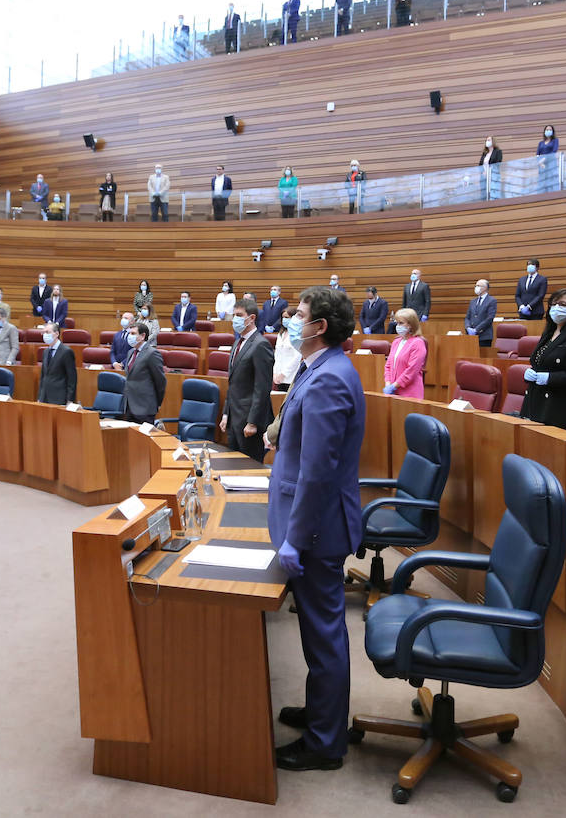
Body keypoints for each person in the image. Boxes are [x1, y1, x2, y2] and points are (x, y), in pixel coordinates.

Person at [268, 285, 364, 772]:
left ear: (319, 327)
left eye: (298, 315)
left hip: (317, 532)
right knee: (317, 633)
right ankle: (322, 712)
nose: (291, 320)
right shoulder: (318, 368)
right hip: (313, 526)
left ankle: (326, 743)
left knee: (324, 636)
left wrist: (294, 538)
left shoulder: (330, 377)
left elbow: (317, 473)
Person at [519, 290, 566, 431]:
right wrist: (530, 372)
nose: (556, 308)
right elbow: (539, 361)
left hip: (560, 410)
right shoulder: (549, 333)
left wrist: (551, 378)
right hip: (535, 403)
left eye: (563, 304)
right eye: (553, 304)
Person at [221, 298, 275, 462]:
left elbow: (262, 388)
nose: (234, 319)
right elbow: (233, 384)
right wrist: (225, 414)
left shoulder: (260, 345)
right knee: (233, 467)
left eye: (239, 315)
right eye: (234, 315)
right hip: (234, 418)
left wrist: (253, 422)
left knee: (249, 469)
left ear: (251, 318)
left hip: (249, 422)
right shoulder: (238, 342)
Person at [121, 321, 166, 423]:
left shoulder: (152, 354)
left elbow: (160, 381)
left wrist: (156, 403)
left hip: (145, 408)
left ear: (142, 336)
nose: (129, 336)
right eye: (129, 333)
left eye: (133, 334)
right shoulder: (130, 352)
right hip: (129, 406)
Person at [383, 309, 427, 398]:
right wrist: (388, 384)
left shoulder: (418, 343)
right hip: (394, 393)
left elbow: (411, 371)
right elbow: (388, 365)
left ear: (411, 325)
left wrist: (394, 386)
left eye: (401, 323)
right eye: (397, 323)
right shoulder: (396, 342)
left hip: (410, 393)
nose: (398, 326)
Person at [36, 322, 77, 405]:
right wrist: (40, 396)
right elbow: (43, 376)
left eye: (47, 332)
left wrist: (70, 400)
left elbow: (72, 378)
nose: (45, 335)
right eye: (43, 333)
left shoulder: (66, 352)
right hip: (45, 397)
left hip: (60, 398)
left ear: (57, 334)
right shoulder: (45, 351)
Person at [272, 307, 301, 390]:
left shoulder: (297, 335)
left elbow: (297, 357)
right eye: (283, 318)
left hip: (291, 376)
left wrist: (284, 374)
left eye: (287, 317)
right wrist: (275, 373)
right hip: (278, 376)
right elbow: (277, 355)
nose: (284, 320)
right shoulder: (281, 334)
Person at [464, 279, 497, 347]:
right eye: (476, 285)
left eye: (478, 285)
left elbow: (489, 318)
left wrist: (476, 330)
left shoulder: (491, 301)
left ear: (485, 288)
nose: (476, 287)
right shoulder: (473, 301)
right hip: (471, 337)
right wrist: (468, 327)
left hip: (484, 336)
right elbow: (467, 317)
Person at [478, 136, 503, 200]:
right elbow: (480, 164)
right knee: (484, 192)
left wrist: (489, 170)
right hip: (484, 176)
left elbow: (498, 162)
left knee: (493, 191)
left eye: (489, 140)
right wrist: (483, 171)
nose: (487, 142)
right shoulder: (485, 153)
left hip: (493, 175)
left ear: (493, 142)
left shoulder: (498, 151)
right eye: (486, 140)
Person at [535, 125, 560, 189]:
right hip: (542, 165)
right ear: (544, 132)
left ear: (552, 132)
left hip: (551, 162)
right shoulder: (541, 143)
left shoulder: (555, 140)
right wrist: (539, 162)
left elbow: (554, 151)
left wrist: (543, 160)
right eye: (547, 130)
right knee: (542, 181)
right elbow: (537, 154)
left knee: (551, 179)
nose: (548, 131)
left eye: (550, 130)